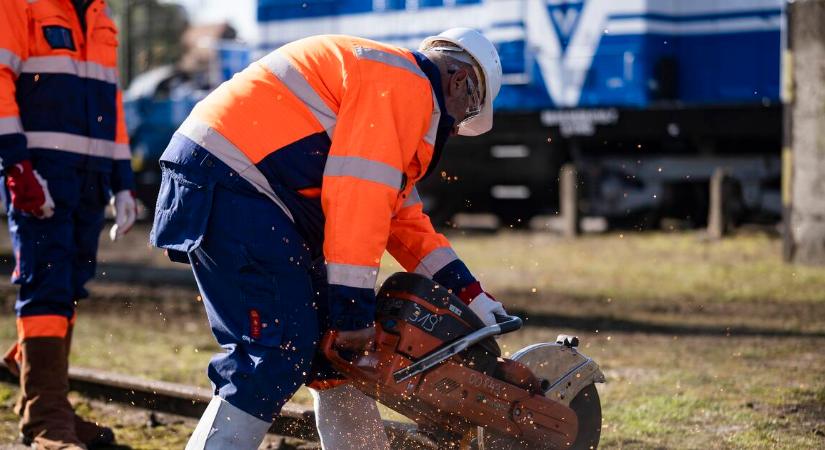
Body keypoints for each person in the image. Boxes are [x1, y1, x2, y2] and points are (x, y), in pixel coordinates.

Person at [149, 28, 506, 449]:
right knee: (278, 349)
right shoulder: (405, 90)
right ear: (460, 80)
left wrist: (472, 297)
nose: (457, 125)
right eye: (466, 113)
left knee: (338, 355)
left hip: (245, 183)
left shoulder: (390, 83)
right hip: (236, 181)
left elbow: (402, 220)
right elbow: (360, 202)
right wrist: (352, 313)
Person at [0, 1, 136, 448]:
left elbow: (111, 101)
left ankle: (42, 395)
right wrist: (15, 164)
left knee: (69, 287)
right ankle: (45, 419)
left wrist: (122, 182)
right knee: (47, 286)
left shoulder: (102, 19)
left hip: (91, 179)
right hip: (42, 170)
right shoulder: (21, 6)